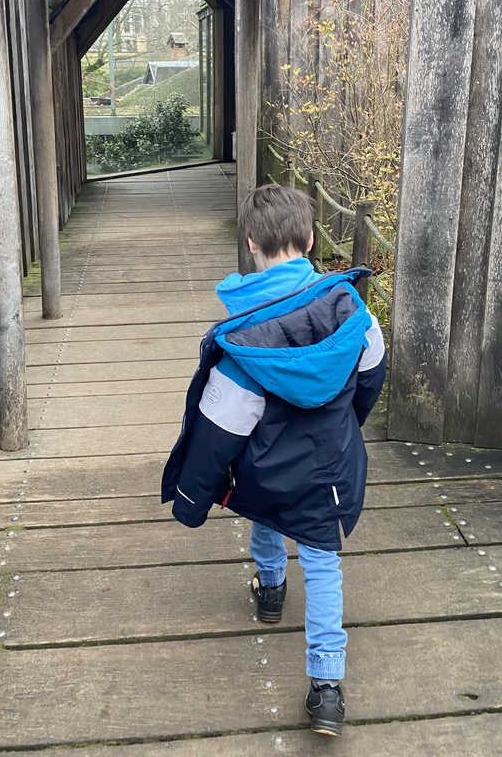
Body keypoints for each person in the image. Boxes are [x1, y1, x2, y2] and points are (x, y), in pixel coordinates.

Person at [161, 184, 387, 736]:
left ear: (251, 244)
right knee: (323, 561)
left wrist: (192, 499)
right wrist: (343, 425)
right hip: (332, 468)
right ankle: (327, 688)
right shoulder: (351, 308)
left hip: (268, 467)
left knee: (264, 510)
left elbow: (220, 432)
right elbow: (371, 374)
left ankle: (269, 591)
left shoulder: (243, 340)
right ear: (310, 240)